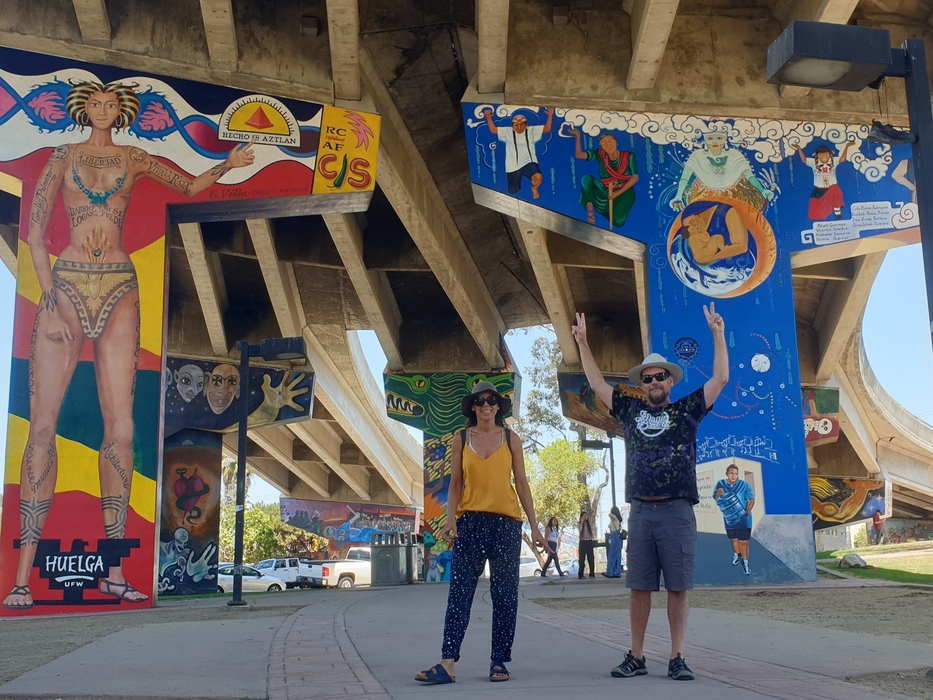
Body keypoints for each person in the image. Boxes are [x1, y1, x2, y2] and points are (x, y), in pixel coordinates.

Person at [2, 80, 254, 611]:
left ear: (122, 112)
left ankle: (114, 572)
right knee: (41, 427)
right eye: (94, 102)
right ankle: (21, 578)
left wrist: (228, 164)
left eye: (111, 103)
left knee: (121, 430)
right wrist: (49, 297)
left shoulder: (135, 158)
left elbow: (187, 187)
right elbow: (35, 232)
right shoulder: (62, 156)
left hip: (119, 285)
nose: (102, 108)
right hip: (66, 285)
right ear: (83, 108)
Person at [571, 303, 729, 682]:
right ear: (641, 385)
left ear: (670, 381)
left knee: (678, 587)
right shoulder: (629, 409)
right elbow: (597, 384)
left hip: (677, 510)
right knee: (639, 587)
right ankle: (637, 656)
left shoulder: (688, 409)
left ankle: (677, 657)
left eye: (660, 377)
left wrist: (718, 334)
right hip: (641, 512)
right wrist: (583, 343)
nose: (654, 382)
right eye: (648, 378)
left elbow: (721, 378)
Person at [415, 381, 547, 685]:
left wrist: (535, 527)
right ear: (472, 407)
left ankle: (499, 661)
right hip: (470, 523)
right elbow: (455, 483)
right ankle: (447, 663)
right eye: (479, 401)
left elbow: (522, 483)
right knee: (459, 594)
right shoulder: (460, 438)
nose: (486, 405)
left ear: (498, 407)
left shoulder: (512, 439)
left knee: (505, 595)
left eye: (491, 400)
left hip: (506, 524)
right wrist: (450, 519)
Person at [670, 128, 773, 211]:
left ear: (724, 140)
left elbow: (749, 176)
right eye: (710, 138)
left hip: (735, 195)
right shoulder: (697, 156)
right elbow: (685, 178)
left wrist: (762, 190)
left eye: (719, 138)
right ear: (706, 140)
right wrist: (678, 196)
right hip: (704, 196)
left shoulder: (735, 155)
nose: (715, 141)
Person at [568, 128, 638, 227]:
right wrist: (578, 136)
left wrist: (616, 194)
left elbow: (635, 178)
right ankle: (590, 210)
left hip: (624, 193)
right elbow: (579, 155)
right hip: (605, 191)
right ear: (602, 147)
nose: (608, 145)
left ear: (616, 142)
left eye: (610, 141)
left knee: (618, 222)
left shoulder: (629, 156)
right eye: (604, 143)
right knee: (586, 180)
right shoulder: (600, 154)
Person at [484, 109, 554, 199]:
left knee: (538, 177)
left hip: (528, 162)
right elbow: (493, 130)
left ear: (526, 126)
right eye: (516, 125)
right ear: (513, 126)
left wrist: (550, 115)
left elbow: (547, 128)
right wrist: (488, 118)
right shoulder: (507, 132)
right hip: (513, 166)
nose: (519, 127)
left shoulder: (531, 131)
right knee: (512, 191)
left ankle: (534, 188)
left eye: (522, 124)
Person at [793, 142, 854, 220]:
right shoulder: (814, 162)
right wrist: (799, 149)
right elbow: (804, 160)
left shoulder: (833, 161)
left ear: (830, 154)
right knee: (818, 213)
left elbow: (842, 159)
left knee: (836, 190)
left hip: (831, 188)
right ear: (817, 155)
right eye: (821, 154)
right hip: (819, 190)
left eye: (826, 154)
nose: (823, 156)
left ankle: (837, 209)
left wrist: (847, 146)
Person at [714, 464, 755, 575]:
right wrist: (718, 494)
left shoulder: (744, 485)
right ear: (727, 474)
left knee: (743, 542)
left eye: (736, 474)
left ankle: (745, 562)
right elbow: (717, 500)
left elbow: (751, 499)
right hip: (729, 519)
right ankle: (738, 554)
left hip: (743, 519)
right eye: (731, 473)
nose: (734, 476)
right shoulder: (720, 484)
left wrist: (748, 510)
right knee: (734, 539)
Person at [678, 202, 749, 265]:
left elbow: (741, 247)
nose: (694, 228)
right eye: (689, 227)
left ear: (700, 215)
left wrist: (716, 257)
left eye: (693, 222)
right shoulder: (696, 233)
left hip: (741, 265)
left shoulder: (726, 211)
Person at [603, 505, 624, 578]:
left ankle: (609, 572)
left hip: (615, 537)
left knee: (612, 555)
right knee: (617, 556)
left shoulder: (615, 519)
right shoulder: (617, 520)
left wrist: (611, 513)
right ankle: (617, 572)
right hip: (618, 538)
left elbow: (611, 515)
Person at [578, 505, 597, 578]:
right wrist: (581, 521)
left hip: (589, 541)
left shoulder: (589, 523)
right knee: (582, 559)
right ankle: (581, 574)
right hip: (582, 542)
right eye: (584, 515)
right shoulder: (580, 523)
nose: (585, 516)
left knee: (591, 558)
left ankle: (592, 573)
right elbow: (580, 529)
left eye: (586, 515)